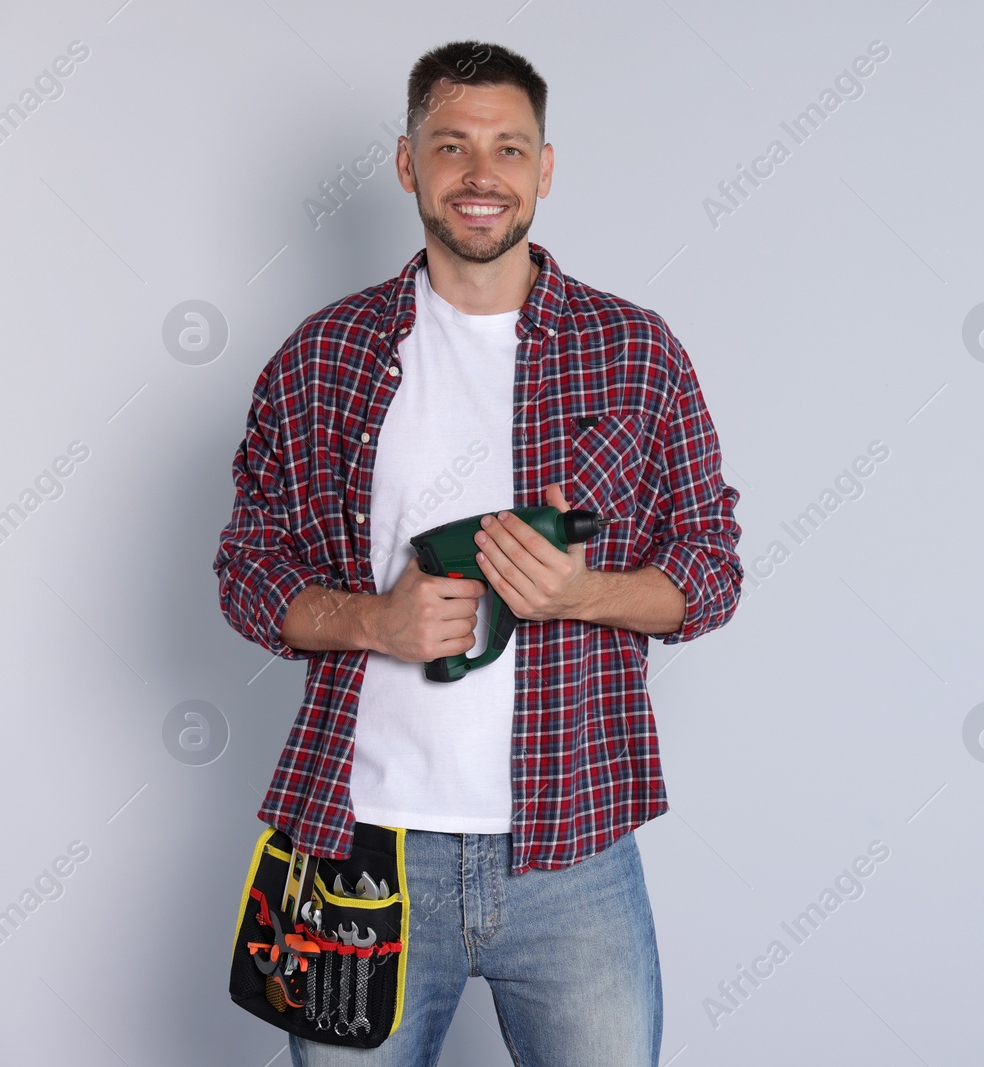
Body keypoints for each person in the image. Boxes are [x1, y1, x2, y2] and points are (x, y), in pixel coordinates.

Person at [212, 39, 744, 1067]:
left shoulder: (635, 350)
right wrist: (375, 618)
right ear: (409, 164)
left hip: (575, 855)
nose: (481, 174)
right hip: (363, 850)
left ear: (545, 168)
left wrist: (585, 592)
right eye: (451, 146)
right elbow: (245, 566)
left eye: (509, 148)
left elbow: (711, 563)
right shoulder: (323, 354)